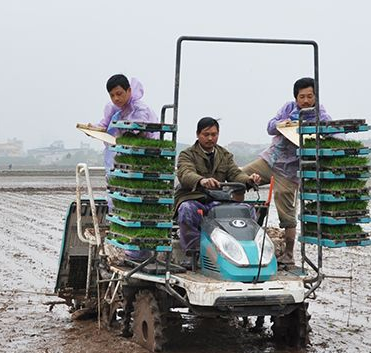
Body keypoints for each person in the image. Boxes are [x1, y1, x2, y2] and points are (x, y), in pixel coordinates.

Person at [241, 77, 331, 268]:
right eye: (301, 97)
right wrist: (285, 122)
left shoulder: (320, 116)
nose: (305, 101)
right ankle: (239, 225)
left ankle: (289, 254)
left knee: (287, 211)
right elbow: (270, 127)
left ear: (316, 96)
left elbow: (334, 134)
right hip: (271, 160)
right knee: (238, 178)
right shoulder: (288, 108)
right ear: (295, 98)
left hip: (290, 171)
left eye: (309, 96)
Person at [175, 117, 261, 259]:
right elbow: (185, 173)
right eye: (206, 134)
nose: (210, 138)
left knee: (248, 210)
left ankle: (244, 252)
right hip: (194, 199)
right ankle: (193, 253)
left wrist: (249, 179)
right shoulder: (187, 154)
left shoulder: (224, 155)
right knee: (186, 209)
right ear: (198, 134)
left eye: (214, 134)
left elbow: (235, 173)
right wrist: (202, 181)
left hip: (217, 200)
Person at [94, 74, 158, 172]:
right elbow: (104, 124)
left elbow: (137, 132)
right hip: (121, 155)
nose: (116, 98)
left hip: (144, 153)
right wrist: (93, 129)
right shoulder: (115, 108)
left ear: (129, 90)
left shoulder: (140, 109)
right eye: (112, 95)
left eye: (119, 94)